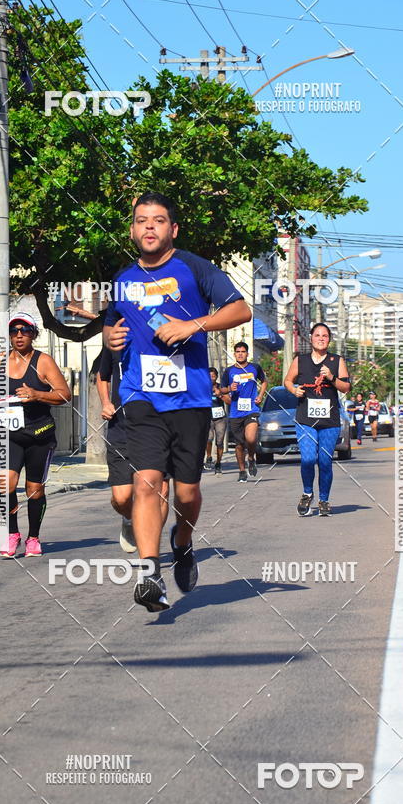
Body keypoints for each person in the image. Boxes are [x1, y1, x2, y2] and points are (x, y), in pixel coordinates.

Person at [103, 192, 251, 611]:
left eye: (159, 220)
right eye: (141, 220)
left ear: (173, 230)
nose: (149, 226)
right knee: (147, 482)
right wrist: (108, 337)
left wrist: (193, 325)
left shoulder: (194, 267)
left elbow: (240, 311)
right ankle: (150, 575)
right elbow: (112, 325)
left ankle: (182, 542)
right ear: (132, 230)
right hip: (141, 396)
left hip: (190, 398)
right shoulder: (122, 279)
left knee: (186, 494)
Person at [0, 312, 71, 558]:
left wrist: (37, 395)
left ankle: (33, 537)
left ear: (33, 334)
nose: (19, 335)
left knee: (34, 489)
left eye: (25, 330)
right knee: (6, 483)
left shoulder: (43, 361)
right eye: (14, 331)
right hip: (10, 435)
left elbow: (64, 394)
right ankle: (12, 534)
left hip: (40, 435)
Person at [97, 345, 170, 551]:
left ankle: (150, 552)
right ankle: (130, 518)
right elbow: (102, 377)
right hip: (121, 428)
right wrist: (105, 402)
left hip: (159, 427)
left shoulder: (162, 339)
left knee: (161, 491)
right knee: (122, 499)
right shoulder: (115, 341)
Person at [284, 322, 351, 517]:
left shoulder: (337, 361)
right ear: (311, 338)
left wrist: (331, 377)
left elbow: (346, 387)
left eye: (325, 336)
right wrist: (293, 389)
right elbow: (287, 380)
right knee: (307, 458)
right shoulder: (300, 360)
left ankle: (323, 499)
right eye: (317, 335)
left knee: (324, 461)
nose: (321, 338)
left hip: (329, 420)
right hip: (306, 418)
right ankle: (307, 493)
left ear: (329, 339)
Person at [221, 343, 267, 482]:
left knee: (251, 438)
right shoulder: (228, 371)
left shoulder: (255, 368)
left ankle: (251, 458)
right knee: (239, 444)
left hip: (251, 409)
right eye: (237, 351)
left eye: (243, 351)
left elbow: (264, 381)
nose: (240, 354)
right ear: (234, 354)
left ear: (247, 353)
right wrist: (229, 388)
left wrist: (260, 395)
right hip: (236, 412)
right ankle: (242, 470)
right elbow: (222, 390)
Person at [205, 367, 230, 474]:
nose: (211, 378)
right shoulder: (203, 388)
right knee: (209, 438)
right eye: (209, 376)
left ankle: (218, 463)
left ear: (216, 377)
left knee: (219, 442)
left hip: (220, 418)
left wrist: (219, 394)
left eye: (213, 376)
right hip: (208, 417)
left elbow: (229, 401)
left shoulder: (221, 387)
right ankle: (209, 456)